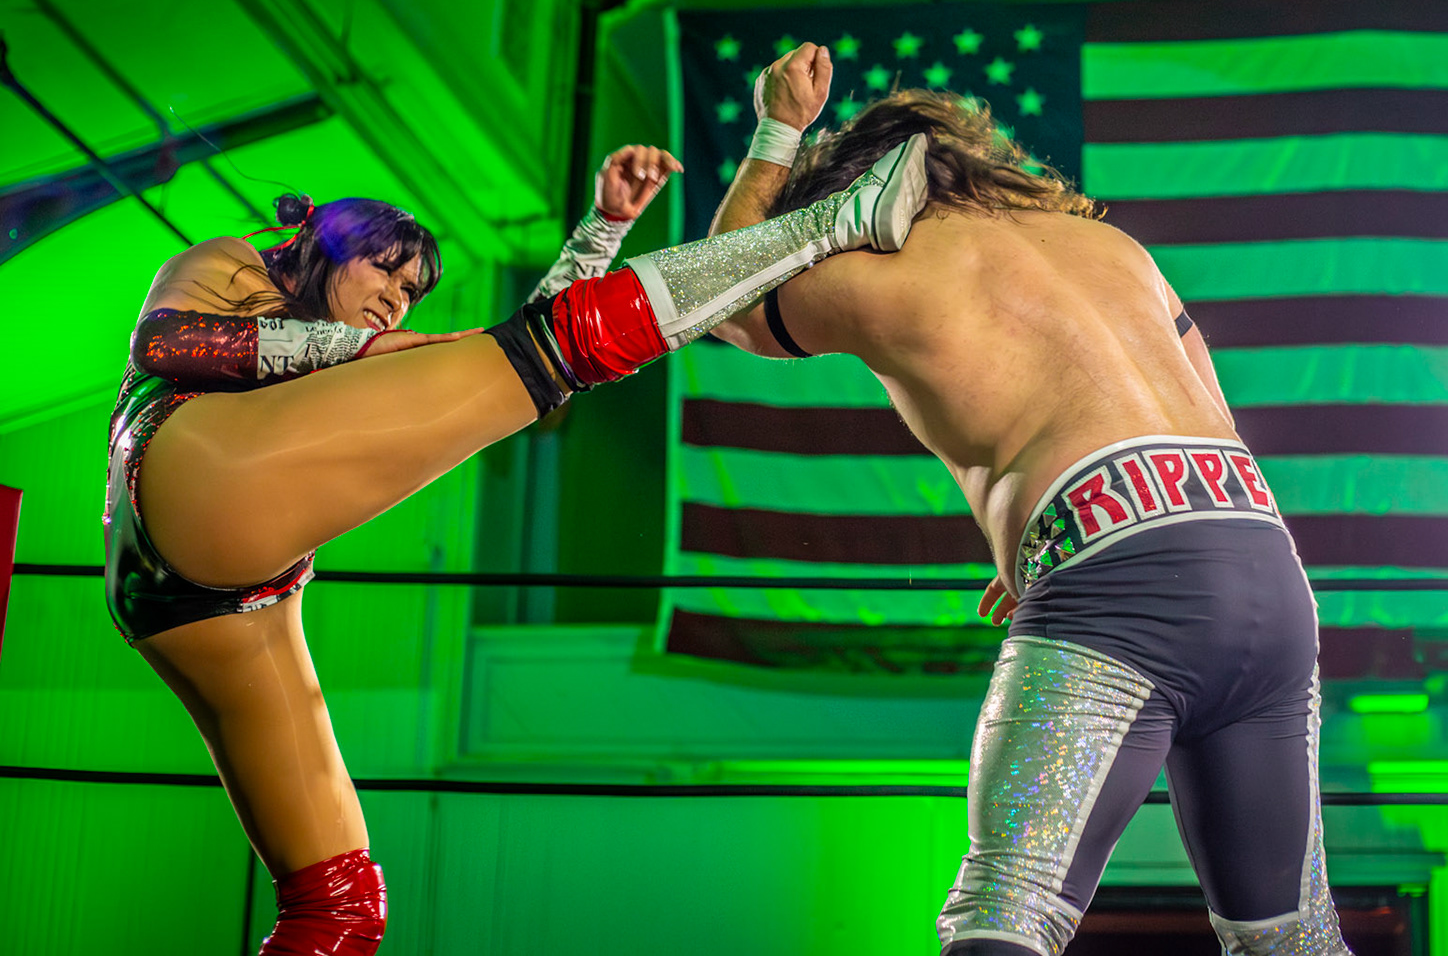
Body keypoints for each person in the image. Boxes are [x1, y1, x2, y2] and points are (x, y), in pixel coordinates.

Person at [107, 136, 928, 954]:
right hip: (186, 470)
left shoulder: (352, 364)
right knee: (542, 356)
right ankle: (834, 223)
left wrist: (603, 227)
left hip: (212, 602)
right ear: (327, 246)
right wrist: (372, 349)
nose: (397, 299)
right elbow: (164, 345)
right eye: (385, 271)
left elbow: (522, 365)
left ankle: (830, 223)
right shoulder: (236, 265)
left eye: (412, 291)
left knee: (342, 907)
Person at [710, 44, 1353, 956]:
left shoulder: (883, 273)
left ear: (852, 194)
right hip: (1262, 561)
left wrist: (777, 131)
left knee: (1004, 917)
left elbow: (722, 293)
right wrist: (1067, 529)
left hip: (1123, 589)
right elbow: (1207, 409)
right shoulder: (1116, 250)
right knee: (1291, 939)